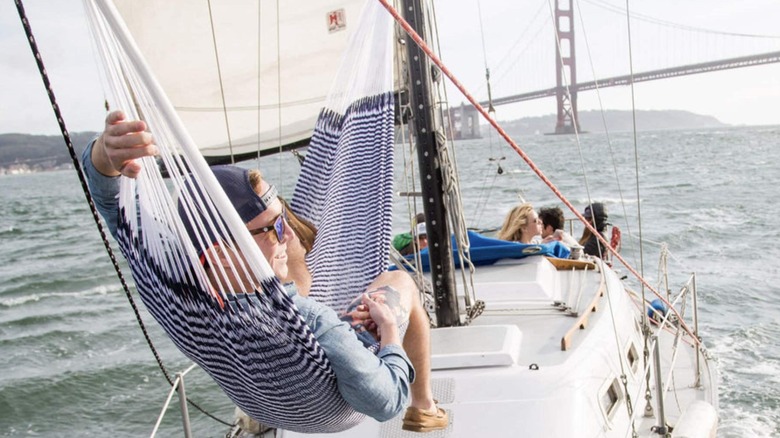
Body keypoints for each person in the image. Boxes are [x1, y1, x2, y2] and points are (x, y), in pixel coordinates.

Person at [83, 110, 448, 432]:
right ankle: (425, 408)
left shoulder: (167, 277)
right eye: (273, 227)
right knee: (401, 281)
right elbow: (385, 402)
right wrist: (388, 334)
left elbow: (109, 198)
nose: (288, 233)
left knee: (294, 251)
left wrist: (105, 151)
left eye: (283, 219)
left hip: (262, 394)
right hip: (330, 410)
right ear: (222, 254)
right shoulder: (312, 322)